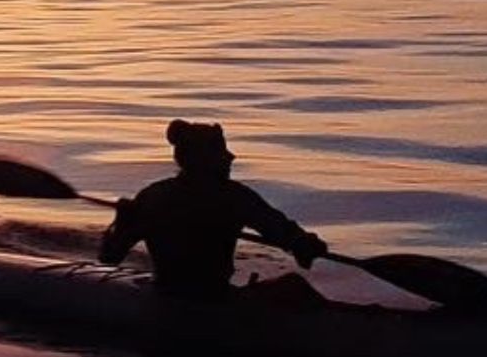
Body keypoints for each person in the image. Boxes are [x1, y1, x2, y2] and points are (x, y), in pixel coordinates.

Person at [98, 120, 328, 299]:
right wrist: (302, 243)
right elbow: (278, 228)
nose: (231, 157)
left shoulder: (152, 196)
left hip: (169, 292)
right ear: (202, 159)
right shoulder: (233, 197)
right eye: (221, 152)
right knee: (293, 286)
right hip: (211, 299)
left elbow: (110, 256)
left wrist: (121, 223)